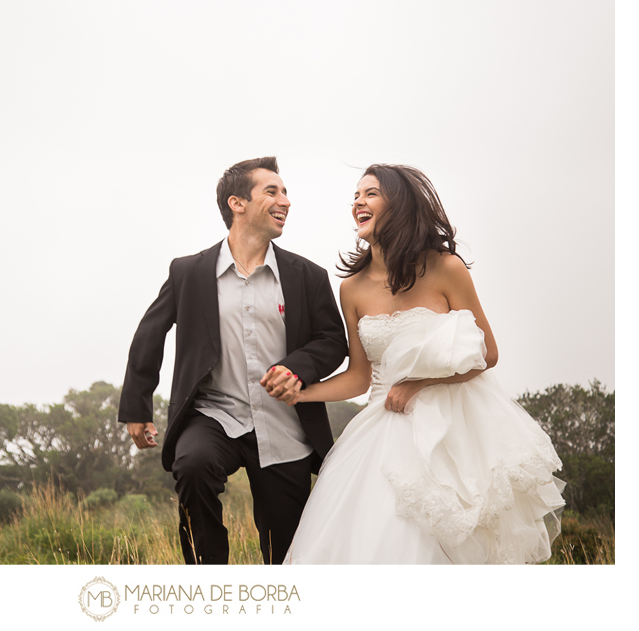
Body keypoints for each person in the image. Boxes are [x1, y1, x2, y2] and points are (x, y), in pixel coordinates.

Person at [262, 164, 566, 564]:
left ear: (399, 204)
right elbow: (359, 377)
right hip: (378, 431)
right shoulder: (351, 288)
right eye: (355, 196)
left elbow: (487, 354)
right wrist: (301, 392)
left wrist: (420, 384)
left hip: (450, 430)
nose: (358, 202)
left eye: (369, 193)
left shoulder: (445, 268)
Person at [118, 157, 348, 565]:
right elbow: (150, 333)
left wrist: (296, 368)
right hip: (213, 415)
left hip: (284, 426)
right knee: (192, 466)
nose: (286, 201)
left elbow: (332, 341)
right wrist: (137, 407)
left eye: (286, 192)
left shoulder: (307, 276)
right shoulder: (189, 271)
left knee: (286, 553)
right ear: (237, 203)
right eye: (272, 191)